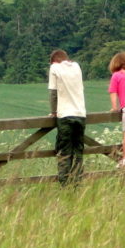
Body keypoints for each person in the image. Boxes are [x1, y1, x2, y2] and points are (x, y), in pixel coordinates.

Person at [48, 49, 86, 185]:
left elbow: (53, 93)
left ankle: (64, 185)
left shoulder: (54, 68)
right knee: (78, 152)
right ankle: (77, 183)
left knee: (64, 152)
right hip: (81, 114)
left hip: (65, 115)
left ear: (54, 61)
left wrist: (53, 112)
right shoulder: (76, 67)